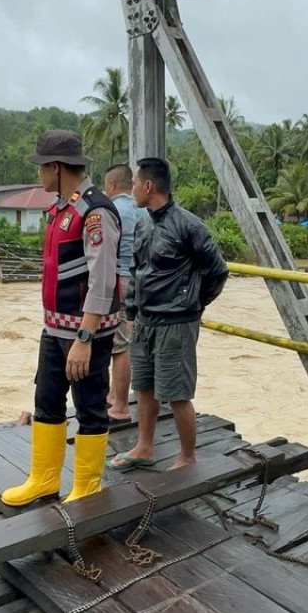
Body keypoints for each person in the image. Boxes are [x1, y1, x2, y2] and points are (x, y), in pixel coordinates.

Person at [0, 130, 122, 507]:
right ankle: (44, 478)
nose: (39, 176)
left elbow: (102, 280)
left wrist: (84, 340)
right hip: (53, 328)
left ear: (55, 168)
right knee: (47, 400)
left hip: (86, 334)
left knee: (90, 407)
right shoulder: (60, 209)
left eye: (41, 168)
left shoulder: (94, 212)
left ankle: (86, 487)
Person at [107, 157, 228, 472]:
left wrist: (193, 305)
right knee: (144, 387)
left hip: (176, 324)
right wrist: (132, 311)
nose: (132, 189)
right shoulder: (144, 222)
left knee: (176, 393)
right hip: (145, 322)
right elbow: (136, 270)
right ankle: (144, 447)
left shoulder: (188, 225)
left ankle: (187, 457)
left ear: (148, 186)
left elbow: (217, 271)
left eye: (134, 183)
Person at [103, 163, 149, 422]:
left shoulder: (111, 210)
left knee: (120, 346)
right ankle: (114, 394)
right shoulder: (142, 211)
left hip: (119, 280)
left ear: (111, 186)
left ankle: (120, 406)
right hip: (142, 281)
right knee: (132, 339)